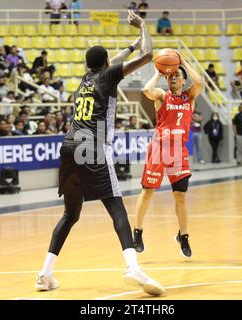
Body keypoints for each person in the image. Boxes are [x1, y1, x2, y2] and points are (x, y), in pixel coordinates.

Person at [35, 10, 164, 296]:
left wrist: (129, 45)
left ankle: (45, 274)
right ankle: (132, 266)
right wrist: (143, 27)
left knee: (70, 215)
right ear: (105, 64)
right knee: (116, 206)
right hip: (93, 145)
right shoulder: (107, 77)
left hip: (69, 145)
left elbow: (115, 61)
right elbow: (148, 55)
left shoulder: (86, 78)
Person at [132, 51, 203, 258]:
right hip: (158, 149)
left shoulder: (189, 96)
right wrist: (159, 73)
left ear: (183, 80)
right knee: (148, 191)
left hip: (179, 151)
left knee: (180, 196)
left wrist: (183, 62)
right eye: (170, 77)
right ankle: (137, 232)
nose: (172, 79)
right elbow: (146, 89)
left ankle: (184, 235)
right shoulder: (162, 96)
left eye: (176, 76)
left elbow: (198, 81)